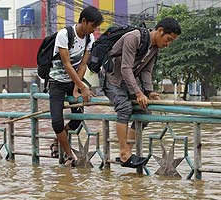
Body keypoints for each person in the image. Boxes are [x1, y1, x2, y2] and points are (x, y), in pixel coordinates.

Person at [102, 17, 181, 168]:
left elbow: (146, 71)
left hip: (127, 83)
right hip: (112, 80)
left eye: (172, 41)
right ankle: (124, 152)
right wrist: (138, 93)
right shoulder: (134, 38)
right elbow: (125, 68)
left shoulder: (154, 47)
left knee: (145, 113)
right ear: (160, 31)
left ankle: (127, 153)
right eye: (168, 39)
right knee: (124, 108)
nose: (168, 44)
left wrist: (149, 91)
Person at [48, 6, 103, 166]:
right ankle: (69, 155)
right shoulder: (64, 35)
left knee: (77, 119)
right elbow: (67, 64)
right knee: (56, 122)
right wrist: (83, 87)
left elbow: (83, 64)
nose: (94, 30)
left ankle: (58, 140)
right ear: (83, 21)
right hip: (57, 83)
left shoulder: (89, 38)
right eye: (93, 25)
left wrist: (76, 88)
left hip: (74, 81)